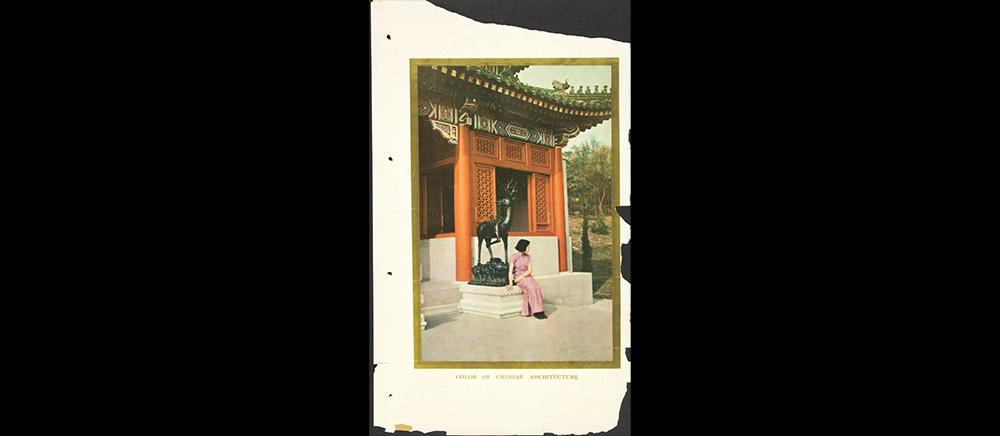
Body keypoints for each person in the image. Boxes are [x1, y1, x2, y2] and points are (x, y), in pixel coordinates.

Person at [507, 239, 546, 319]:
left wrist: (522, 276)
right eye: (528, 247)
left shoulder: (528, 257)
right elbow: (510, 271)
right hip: (518, 277)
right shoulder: (514, 256)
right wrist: (511, 282)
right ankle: (537, 311)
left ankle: (536, 311)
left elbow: (529, 270)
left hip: (526, 276)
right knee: (531, 288)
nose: (529, 248)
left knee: (536, 288)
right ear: (523, 247)